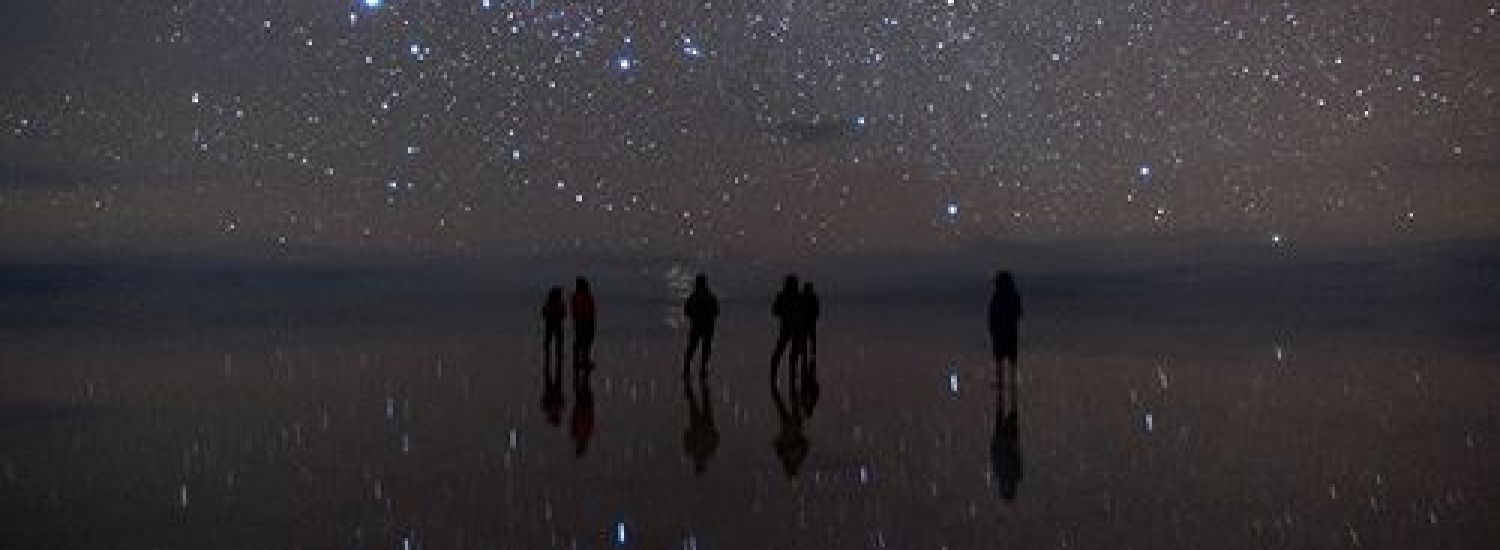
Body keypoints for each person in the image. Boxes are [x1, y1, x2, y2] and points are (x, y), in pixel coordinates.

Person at [988, 271, 1023, 414]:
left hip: (1006, 332)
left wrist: (995, 326)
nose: (996, 285)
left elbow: (1017, 313)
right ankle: (1006, 382)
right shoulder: (1005, 296)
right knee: (1004, 359)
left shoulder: (1007, 296)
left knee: (1005, 359)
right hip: (1003, 333)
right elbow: (1018, 313)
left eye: (998, 282)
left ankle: (1008, 382)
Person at [682, 274, 720, 376]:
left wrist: (694, 316)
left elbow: (686, 311)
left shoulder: (694, 297)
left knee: (693, 348)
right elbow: (716, 311)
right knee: (701, 348)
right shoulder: (709, 297)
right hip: (706, 326)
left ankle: (689, 368)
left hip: (699, 325)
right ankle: (700, 368)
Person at [769, 274, 802, 380]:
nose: (795, 285)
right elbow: (775, 311)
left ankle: (788, 372)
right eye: (794, 283)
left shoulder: (795, 296)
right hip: (788, 327)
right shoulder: (785, 296)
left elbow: (775, 311)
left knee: (789, 350)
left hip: (794, 327)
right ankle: (775, 372)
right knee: (782, 350)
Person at [571, 277, 596, 368]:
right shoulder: (581, 296)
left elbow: (590, 308)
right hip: (584, 321)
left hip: (583, 321)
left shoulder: (579, 296)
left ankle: (581, 360)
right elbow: (586, 309)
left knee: (583, 341)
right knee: (584, 341)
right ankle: (581, 360)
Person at [541, 287, 567, 366]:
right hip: (556, 322)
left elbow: (544, 312)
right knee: (557, 339)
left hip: (550, 322)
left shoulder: (549, 302)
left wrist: (548, 317)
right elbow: (563, 313)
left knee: (550, 340)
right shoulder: (559, 302)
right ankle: (557, 354)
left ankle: (548, 355)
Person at [799, 282, 820, 361]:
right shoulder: (811, 297)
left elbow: (816, 310)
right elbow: (817, 310)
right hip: (806, 322)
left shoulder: (809, 297)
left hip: (808, 322)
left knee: (809, 338)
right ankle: (809, 353)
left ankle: (809, 353)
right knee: (808, 338)